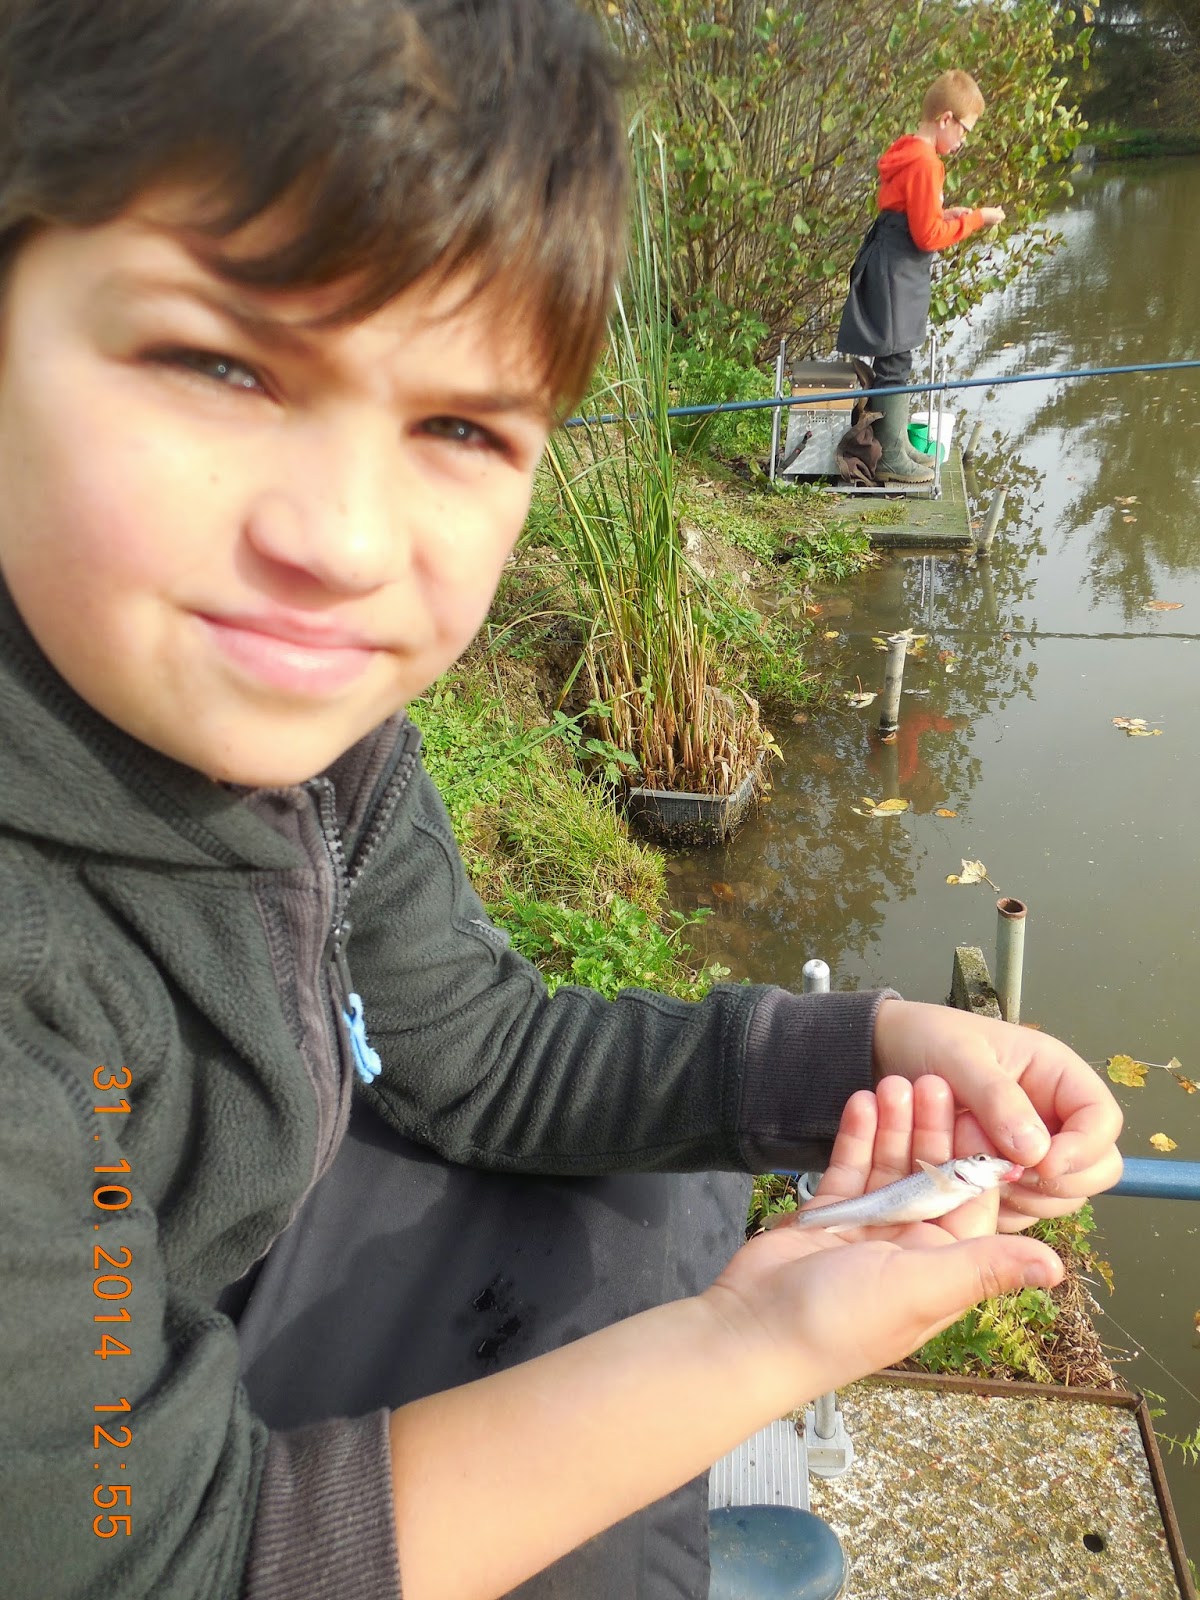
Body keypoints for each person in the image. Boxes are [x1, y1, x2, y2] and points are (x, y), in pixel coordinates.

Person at [0, 5, 1122, 1599]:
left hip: (217, 1285)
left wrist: (873, 1046)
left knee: (651, 1183)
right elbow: (165, 1560)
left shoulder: (322, 755)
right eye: (216, 363)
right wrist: (748, 1348)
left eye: (459, 426)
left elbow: (489, 1057)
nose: (342, 539)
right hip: (139, 1498)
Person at [837, 69, 1006, 485]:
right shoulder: (927, 162)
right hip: (898, 266)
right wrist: (975, 219)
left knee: (898, 354)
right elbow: (927, 236)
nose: (963, 141)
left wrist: (944, 214)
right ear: (946, 118)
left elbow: (910, 212)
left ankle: (893, 442)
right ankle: (890, 456)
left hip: (892, 258)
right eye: (964, 130)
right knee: (896, 357)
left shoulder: (908, 150)